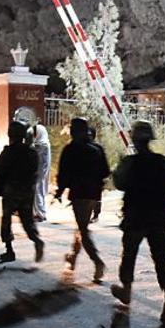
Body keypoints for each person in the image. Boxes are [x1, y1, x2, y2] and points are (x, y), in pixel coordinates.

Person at [110, 120, 165, 326]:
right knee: (161, 259)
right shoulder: (162, 162)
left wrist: (120, 167)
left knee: (129, 254)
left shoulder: (130, 163)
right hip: (157, 217)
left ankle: (127, 290)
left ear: (134, 140)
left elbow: (119, 183)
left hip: (135, 216)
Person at [55, 117, 111, 283]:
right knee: (81, 227)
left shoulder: (70, 149)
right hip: (94, 194)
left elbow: (64, 174)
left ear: (73, 131)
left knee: (83, 230)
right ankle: (72, 257)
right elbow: (105, 172)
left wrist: (59, 191)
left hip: (79, 194)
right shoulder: (97, 148)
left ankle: (97, 262)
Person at [0, 120, 44, 263]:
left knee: (7, 219)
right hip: (27, 191)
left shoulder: (9, 152)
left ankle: (9, 250)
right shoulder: (32, 153)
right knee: (27, 220)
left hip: (11, 190)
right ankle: (36, 240)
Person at [31, 120, 52, 222]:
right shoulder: (44, 143)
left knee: (38, 190)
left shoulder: (41, 145)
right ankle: (38, 212)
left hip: (39, 172)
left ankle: (40, 213)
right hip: (40, 171)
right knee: (39, 190)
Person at [88, 125, 104, 223]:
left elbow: (103, 164)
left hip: (96, 177)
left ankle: (96, 215)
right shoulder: (83, 147)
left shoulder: (98, 147)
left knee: (96, 198)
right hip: (88, 178)